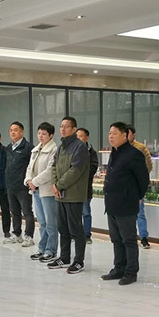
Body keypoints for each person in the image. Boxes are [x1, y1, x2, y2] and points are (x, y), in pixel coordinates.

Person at [101, 122, 149, 285]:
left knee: (128, 240)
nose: (111, 136)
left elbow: (143, 179)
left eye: (114, 133)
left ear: (124, 135)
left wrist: (137, 196)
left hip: (126, 204)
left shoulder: (134, 154)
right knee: (116, 239)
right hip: (112, 203)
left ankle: (131, 272)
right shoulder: (114, 152)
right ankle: (119, 268)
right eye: (109, 133)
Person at [47, 117, 90, 274]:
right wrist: (54, 185)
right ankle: (64, 257)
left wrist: (58, 185)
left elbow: (75, 171)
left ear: (74, 129)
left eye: (66, 126)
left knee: (76, 229)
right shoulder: (61, 147)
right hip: (60, 194)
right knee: (62, 228)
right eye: (61, 126)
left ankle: (79, 261)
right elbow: (54, 167)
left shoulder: (80, 147)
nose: (63, 129)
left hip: (73, 194)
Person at [24, 122, 58, 263]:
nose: (40, 136)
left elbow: (50, 171)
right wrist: (28, 180)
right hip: (36, 190)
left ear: (51, 135)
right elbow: (29, 168)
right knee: (42, 222)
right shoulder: (36, 149)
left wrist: (34, 182)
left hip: (47, 191)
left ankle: (51, 250)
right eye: (39, 133)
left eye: (44, 134)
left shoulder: (53, 150)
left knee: (51, 222)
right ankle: (42, 249)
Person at [3, 121, 36, 247]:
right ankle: (17, 234)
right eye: (11, 130)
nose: (13, 132)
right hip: (11, 186)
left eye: (15, 130)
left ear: (22, 132)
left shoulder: (28, 147)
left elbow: (32, 167)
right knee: (14, 212)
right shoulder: (8, 148)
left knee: (27, 212)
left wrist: (30, 181)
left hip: (23, 186)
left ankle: (29, 236)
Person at [126, 125, 153, 249]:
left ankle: (143, 237)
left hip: (136, 187)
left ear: (134, 135)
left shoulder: (141, 148)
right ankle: (128, 237)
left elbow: (148, 166)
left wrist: (140, 182)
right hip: (123, 188)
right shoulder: (119, 148)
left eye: (128, 133)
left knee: (140, 213)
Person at [76, 127, 99, 244]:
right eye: (77, 136)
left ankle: (87, 234)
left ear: (86, 137)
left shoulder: (91, 152)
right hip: (73, 188)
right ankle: (76, 234)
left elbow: (93, 167)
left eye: (81, 136)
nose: (78, 138)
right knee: (75, 213)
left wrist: (79, 174)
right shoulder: (73, 150)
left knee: (86, 212)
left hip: (85, 188)